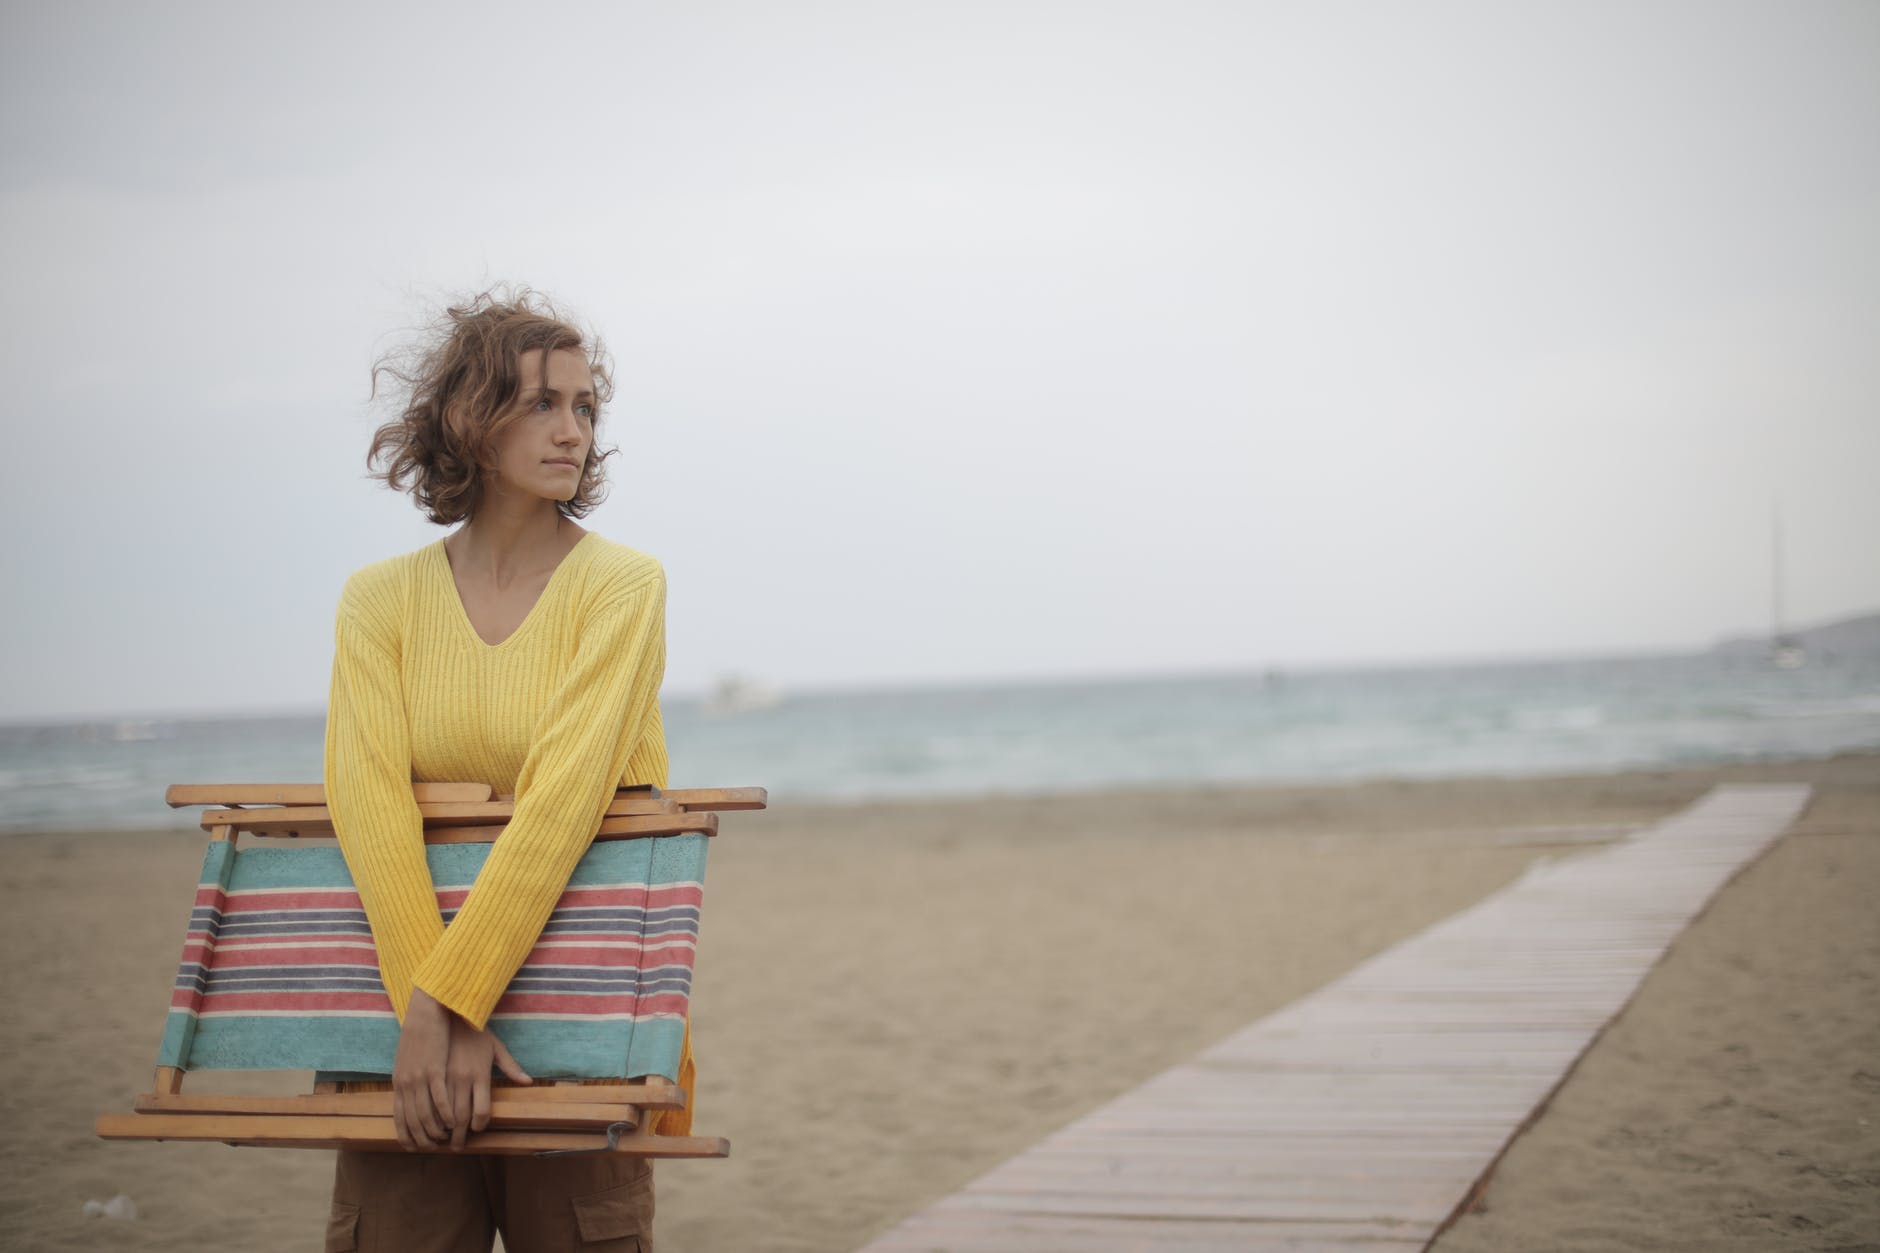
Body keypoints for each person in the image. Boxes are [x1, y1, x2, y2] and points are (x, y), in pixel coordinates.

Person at [321, 289, 684, 1252]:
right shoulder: (378, 601)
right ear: (469, 419)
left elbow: (566, 803)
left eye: (586, 406)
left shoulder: (622, 585)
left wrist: (454, 998)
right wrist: (430, 1019)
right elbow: (368, 807)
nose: (573, 431)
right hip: (403, 1044)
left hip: (577, 1029)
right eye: (540, 403)